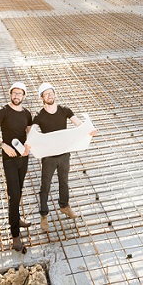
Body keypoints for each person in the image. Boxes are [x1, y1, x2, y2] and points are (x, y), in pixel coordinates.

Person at [32, 82, 97, 231]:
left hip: (64, 154)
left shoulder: (65, 110)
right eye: (46, 94)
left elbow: (79, 124)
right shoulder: (39, 116)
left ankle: (64, 206)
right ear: (41, 98)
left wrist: (89, 130)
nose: (50, 96)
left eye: (51, 93)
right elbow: (32, 132)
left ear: (54, 94)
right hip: (49, 157)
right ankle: (43, 215)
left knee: (64, 182)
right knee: (45, 186)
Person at [0, 81, 33, 251]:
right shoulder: (3, 111)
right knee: (14, 195)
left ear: (24, 96)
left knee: (19, 191)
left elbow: (30, 133)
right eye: (14, 93)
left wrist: (29, 145)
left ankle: (17, 218)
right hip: (9, 159)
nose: (16, 96)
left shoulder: (27, 114)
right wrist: (2, 145)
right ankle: (15, 236)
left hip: (23, 158)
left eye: (20, 94)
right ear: (10, 94)